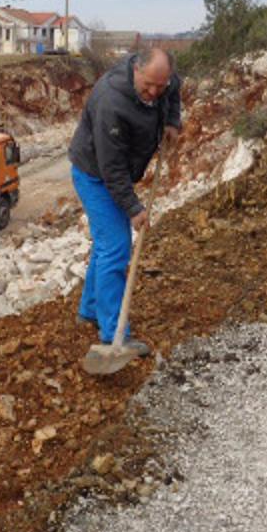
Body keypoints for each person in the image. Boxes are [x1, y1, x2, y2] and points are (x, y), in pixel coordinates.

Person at [68, 48, 181, 353]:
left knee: (106, 245)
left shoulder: (163, 80)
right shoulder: (111, 102)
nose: (154, 92)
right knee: (116, 248)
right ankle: (114, 334)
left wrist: (172, 121)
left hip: (115, 172)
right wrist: (133, 208)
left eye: (160, 86)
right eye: (149, 85)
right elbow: (112, 168)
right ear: (136, 71)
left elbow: (174, 90)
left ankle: (89, 310)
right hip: (95, 175)